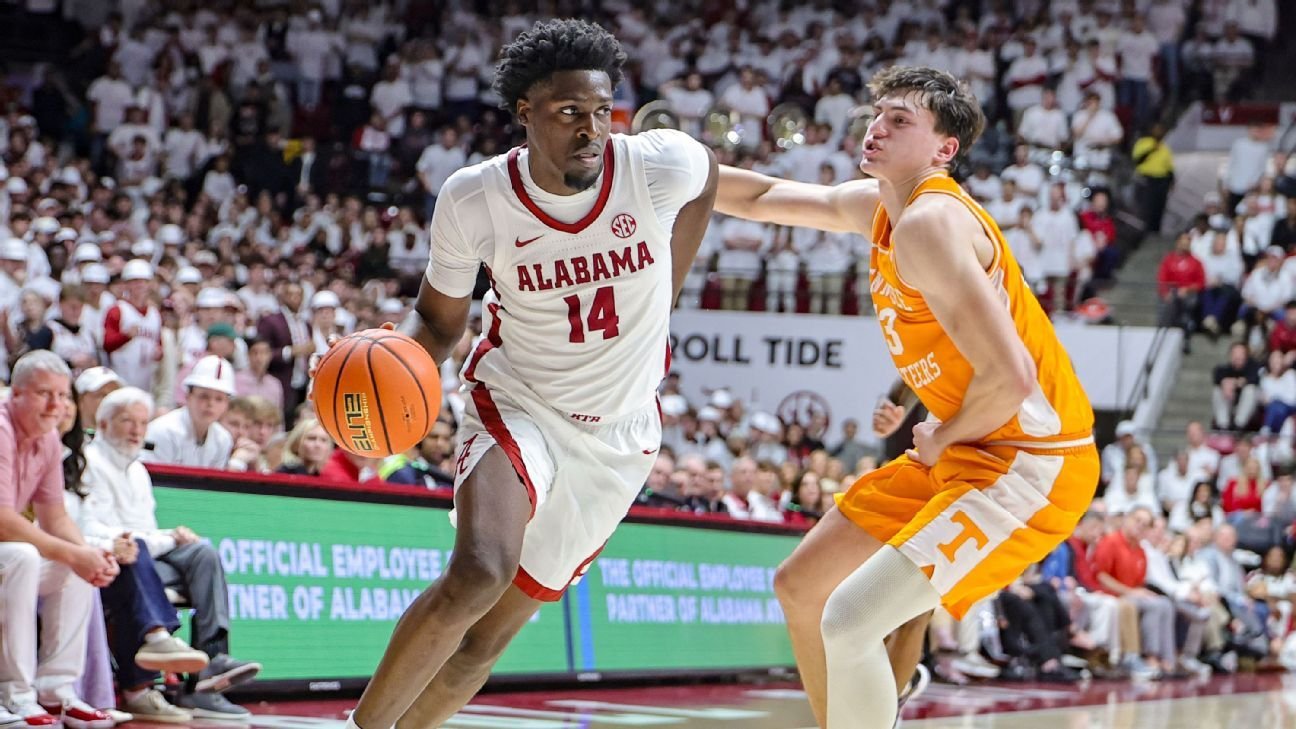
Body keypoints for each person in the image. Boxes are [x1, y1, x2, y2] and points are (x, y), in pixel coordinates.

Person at [330, 21, 717, 729]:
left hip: (620, 435)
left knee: (483, 645)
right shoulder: (475, 197)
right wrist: (390, 374)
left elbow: (708, 175)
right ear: (526, 113)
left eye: (602, 111)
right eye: (570, 112)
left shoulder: (658, 166)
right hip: (519, 401)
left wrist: (669, 289)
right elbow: (440, 321)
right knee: (479, 569)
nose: (591, 129)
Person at [714, 66, 1097, 729]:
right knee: (800, 587)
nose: (877, 127)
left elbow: (1013, 378)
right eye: (878, 113)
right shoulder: (878, 208)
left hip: (1031, 460)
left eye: (901, 120)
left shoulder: (931, 222)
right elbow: (764, 195)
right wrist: (651, 174)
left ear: (944, 149)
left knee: (851, 618)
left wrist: (941, 435)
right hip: (972, 444)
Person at [81, 387, 261, 719]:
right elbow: (97, 530)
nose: (136, 430)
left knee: (202, 552)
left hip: (143, 554)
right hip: (108, 557)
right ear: (104, 424)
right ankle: (158, 642)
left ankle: (211, 665)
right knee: (136, 550)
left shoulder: (138, 470)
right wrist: (164, 539)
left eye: (142, 422)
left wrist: (171, 537)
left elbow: (144, 531)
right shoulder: (89, 462)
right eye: (127, 421)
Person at [0, 351, 119, 729]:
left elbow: (55, 516)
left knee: (76, 562)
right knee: (22, 556)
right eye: (43, 394)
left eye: (63, 395)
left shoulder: (48, 435)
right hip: (8, 550)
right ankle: (13, 694)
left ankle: (56, 690)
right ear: (15, 393)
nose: (56, 405)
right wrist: (73, 552)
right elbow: (2, 520)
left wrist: (87, 555)